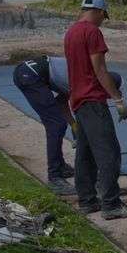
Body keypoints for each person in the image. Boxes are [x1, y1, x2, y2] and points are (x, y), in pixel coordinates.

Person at [63, 0, 127, 219]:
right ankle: (111, 204)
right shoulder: (92, 32)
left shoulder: (71, 33)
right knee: (109, 153)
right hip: (92, 101)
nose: (102, 21)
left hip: (77, 101)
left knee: (85, 154)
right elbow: (100, 70)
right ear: (98, 11)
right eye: (102, 16)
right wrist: (117, 99)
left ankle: (87, 200)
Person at [12, 54, 77, 194]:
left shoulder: (79, 74)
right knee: (56, 124)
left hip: (29, 72)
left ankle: (60, 166)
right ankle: (55, 177)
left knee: (56, 123)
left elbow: (62, 101)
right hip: (30, 76)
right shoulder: (81, 78)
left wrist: (74, 124)